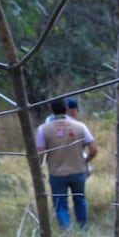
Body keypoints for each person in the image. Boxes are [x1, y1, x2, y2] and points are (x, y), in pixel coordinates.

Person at [36, 97, 99, 228]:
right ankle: (83, 229)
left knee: (60, 204)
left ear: (51, 110)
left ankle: (67, 232)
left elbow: (39, 154)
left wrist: (39, 170)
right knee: (80, 200)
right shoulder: (80, 126)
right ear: (66, 109)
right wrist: (86, 161)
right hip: (78, 171)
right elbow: (93, 149)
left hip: (57, 173)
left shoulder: (43, 129)